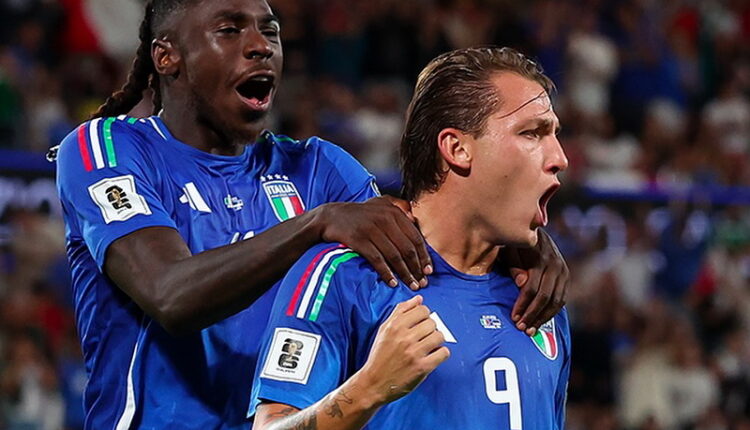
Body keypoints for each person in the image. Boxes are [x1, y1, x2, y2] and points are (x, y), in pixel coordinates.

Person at [53, 0, 569, 427]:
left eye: (270, 31)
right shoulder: (107, 148)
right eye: (230, 30)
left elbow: (426, 226)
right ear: (167, 57)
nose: (260, 45)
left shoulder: (316, 165)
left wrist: (527, 243)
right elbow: (169, 293)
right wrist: (313, 225)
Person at [251, 46, 571, 430]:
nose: (559, 157)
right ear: (457, 148)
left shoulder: (538, 297)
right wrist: (368, 389)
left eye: (554, 134)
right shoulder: (345, 277)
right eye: (532, 133)